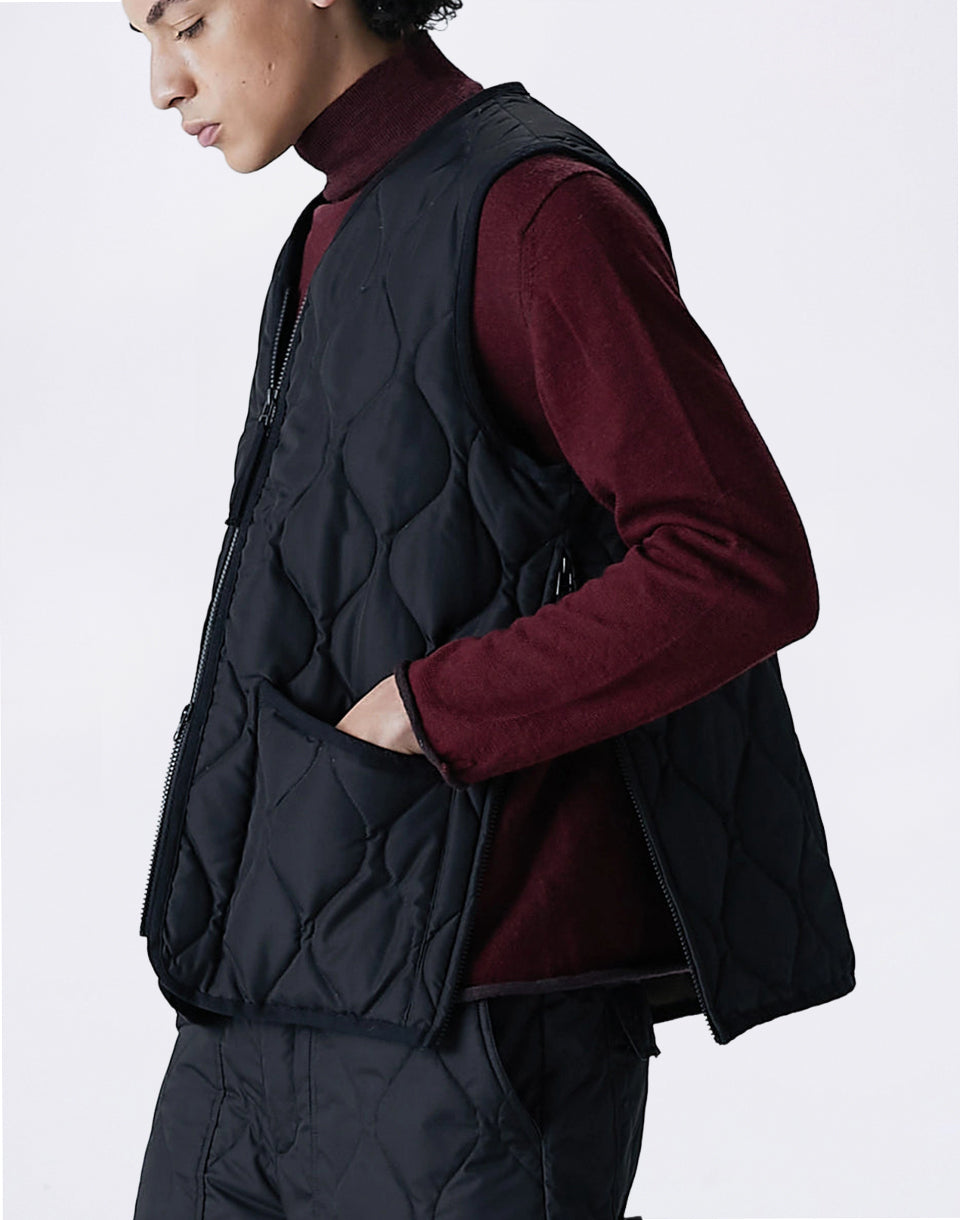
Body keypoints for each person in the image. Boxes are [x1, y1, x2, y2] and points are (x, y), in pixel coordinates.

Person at [126, 1, 856, 1217]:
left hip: (476, 1023)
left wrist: (429, 709)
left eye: (188, 20)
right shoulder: (332, 221)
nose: (163, 81)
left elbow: (736, 557)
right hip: (261, 988)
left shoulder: (536, 211)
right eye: (140, 36)